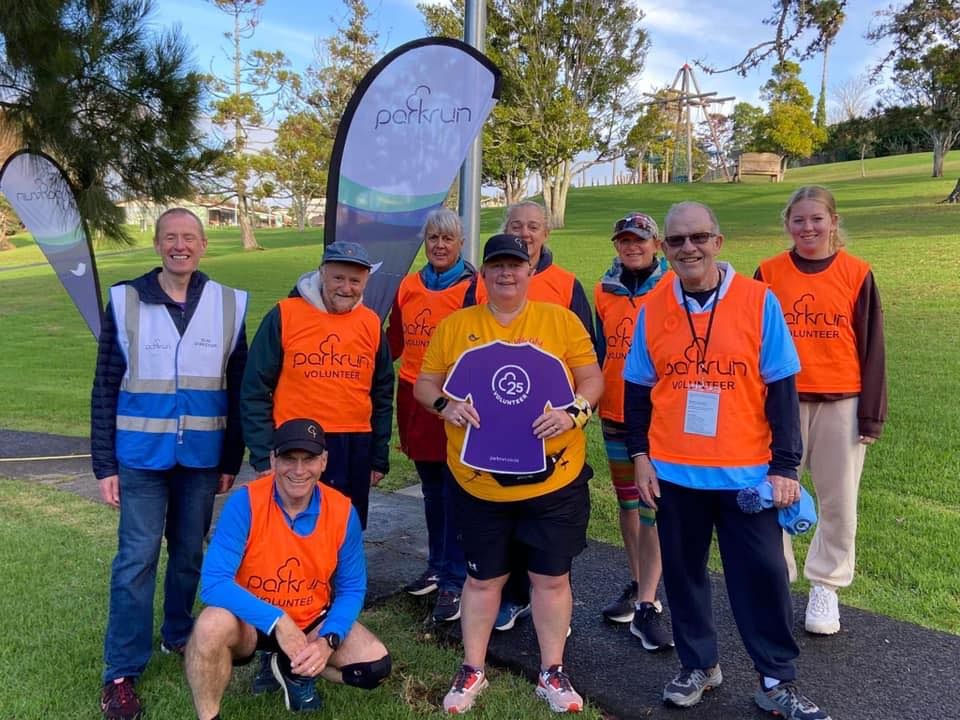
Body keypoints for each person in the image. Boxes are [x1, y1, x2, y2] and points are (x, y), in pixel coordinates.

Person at [623, 202, 831, 720]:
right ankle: (699, 665)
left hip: (747, 476)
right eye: (677, 241)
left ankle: (777, 680)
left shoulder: (758, 301)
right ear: (665, 250)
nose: (688, 248)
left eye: (698, 237)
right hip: (673, 472)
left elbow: (782, 388)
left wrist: (785, 467)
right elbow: (637, 390)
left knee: (761, 579)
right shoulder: (654, 307)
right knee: (684, 576)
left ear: (718, 241)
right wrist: (641, 456)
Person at [415, 233, 603, 714]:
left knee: (551, 578)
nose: (506, 274)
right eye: (496, 265)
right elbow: (426, 383)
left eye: (515, 265)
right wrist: (446, 406)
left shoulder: (559, 321)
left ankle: (552, 671)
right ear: (483, 273)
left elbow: (592, 378)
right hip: (479, 481)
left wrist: (574, 413)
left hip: (554, 480)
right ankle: (472, 668)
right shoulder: (457, 326)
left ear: (530, 270)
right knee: (483, 581)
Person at [91, 208, 248, 720]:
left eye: (189, 237)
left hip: (202, 459)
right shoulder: (125, 298)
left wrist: (231, 458)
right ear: (157, 244)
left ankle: (178, 636)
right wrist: (104, 463)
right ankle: (121, 671)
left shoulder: (229, 303)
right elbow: (106, 384)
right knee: (135, 562)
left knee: (187, 556)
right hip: (139, 458)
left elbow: (239, 388)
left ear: (203, 244)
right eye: (169, 237)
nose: (180, 245)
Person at [186, 418, 391, 718]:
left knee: (375, 667)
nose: (298, 470)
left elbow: (352, 588)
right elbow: (214, 582)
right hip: (251, 620)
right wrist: (278, 621)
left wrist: (328, 640)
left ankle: (291, 667)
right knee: (209, 625)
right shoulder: (246, 502)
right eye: (288, 459)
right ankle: (208, 715)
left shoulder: (342, 511)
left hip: (310, 620)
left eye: (308, 459)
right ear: (272, 459)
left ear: (323, 462)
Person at [756, 186, 887, 635]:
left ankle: (826, 586)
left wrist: (871, 414)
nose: (808, 228)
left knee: (839, 502)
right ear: (787, 224)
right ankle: (778, 576)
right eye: (799, 220)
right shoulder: (769, 273)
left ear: (833, 221)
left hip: (841, 402)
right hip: (781, 401)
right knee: (774, 492)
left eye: (817, 219)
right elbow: (751, 340)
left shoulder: (856, 273)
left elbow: (872, 348)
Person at [478, 201, 597, 632]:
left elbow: (589, 363)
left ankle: (551, 597)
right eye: (515, 226)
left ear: (546, 233)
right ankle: (510, 597)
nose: (525, 233)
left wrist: (575, 413)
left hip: (550, 425)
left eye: (533, 226)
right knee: (502, 513)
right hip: (497, 420)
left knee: (549, 520)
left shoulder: (565, 285)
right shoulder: (488, 277)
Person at [241, 240, 394, 530]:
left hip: (354, 443)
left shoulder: (371, 323)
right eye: (338, 278)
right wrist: (263, 454)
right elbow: (255, 388)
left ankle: (344, 578)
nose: (346, 288)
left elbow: (383, 393)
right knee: (293, 527)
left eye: (355, 280)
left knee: (346, 528)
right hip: (296, 443)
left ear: (366, 281)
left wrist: (378, 456)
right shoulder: (285, 314)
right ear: (322, 273)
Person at [386, 208, 476, 623]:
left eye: (448, 239)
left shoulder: (473, 288)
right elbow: (395, 343)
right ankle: (436, 566)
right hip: (414, 395)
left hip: (457, 399)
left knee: (456, 489)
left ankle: (457, 578)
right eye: (433, 239)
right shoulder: (407, 286)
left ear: (460, 244)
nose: (440, 246)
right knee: (430, 489)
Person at [593, 212, 673, 651]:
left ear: (656, 245)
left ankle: (648, 603)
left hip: (659, 415)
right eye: (624, 240)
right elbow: (600, 350)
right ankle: (638, 582)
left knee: (651, 505)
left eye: (640, 240)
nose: (632, 246)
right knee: (627, 503)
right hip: (615, 412)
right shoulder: (604, 290)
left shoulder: (671, 288)